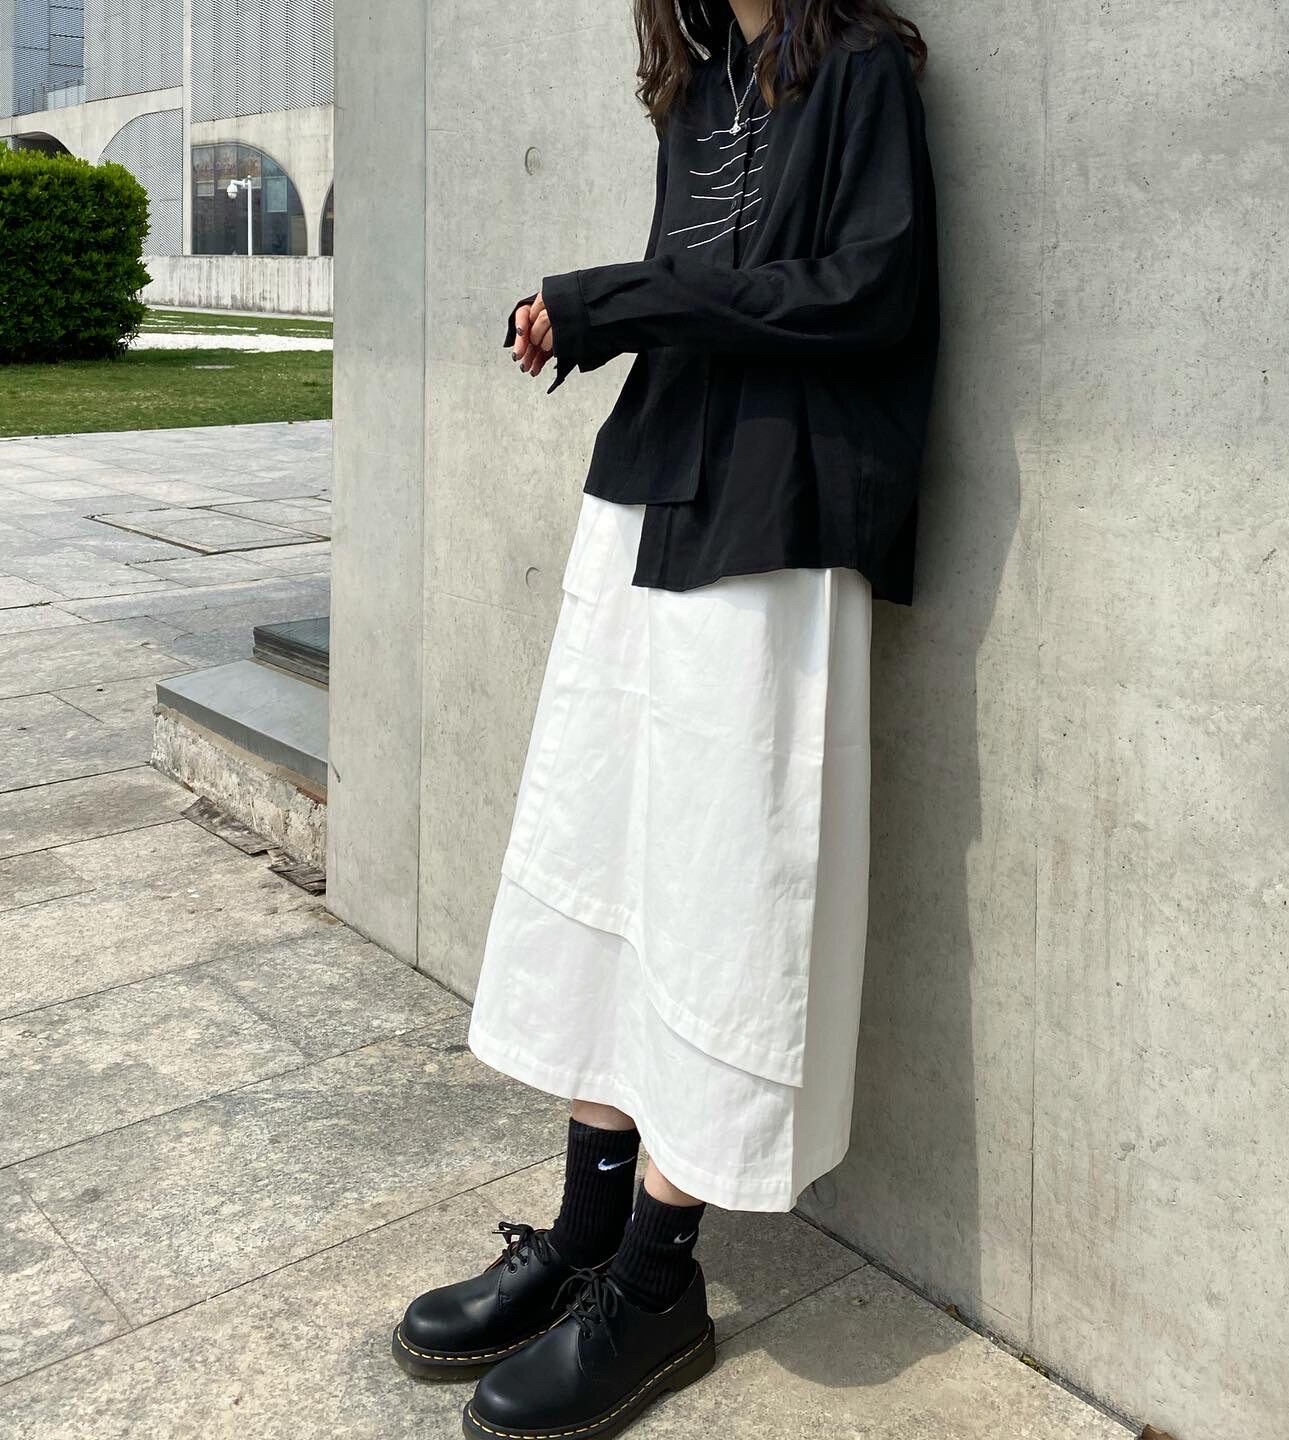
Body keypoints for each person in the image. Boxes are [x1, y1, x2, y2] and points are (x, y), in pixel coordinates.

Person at [393, 1, 939, 1435]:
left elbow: (867, 295)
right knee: (606, 850)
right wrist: (593, 314)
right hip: (652, 486)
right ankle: (587, 1238)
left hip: (778, 506)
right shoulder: (698, 88)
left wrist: (623, 300)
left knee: (721, 883)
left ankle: (655, 1281)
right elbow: (697, 284)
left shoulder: (863, 70)